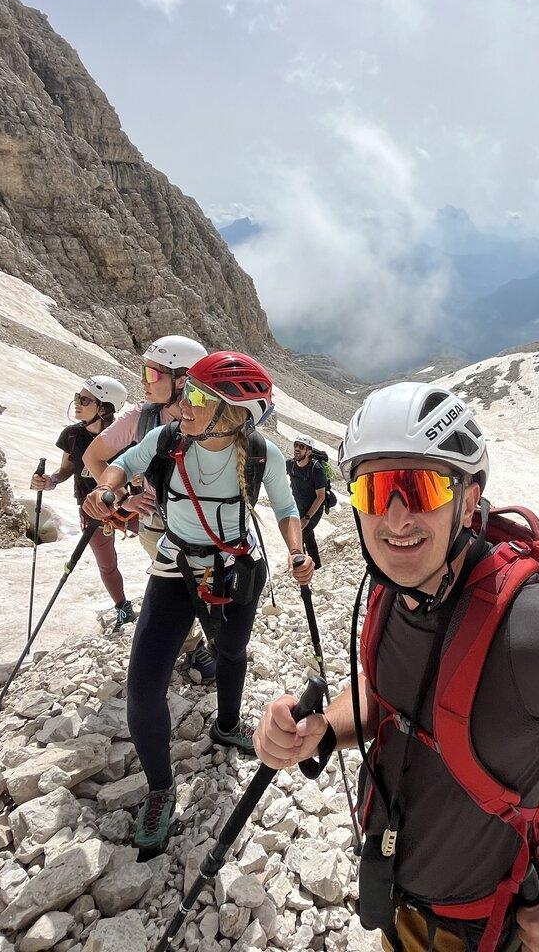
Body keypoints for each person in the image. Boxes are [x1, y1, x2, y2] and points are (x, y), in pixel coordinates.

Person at [254, 383, 539, 952]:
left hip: (481, 931)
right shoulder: (392, 593)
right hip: (399, 904)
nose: (396, 516)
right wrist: (321, 728)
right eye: (375, 490)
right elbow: (390, 700)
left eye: (419, 486)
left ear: (469, 500)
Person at [85, 350, 316, 855]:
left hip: (237, 567)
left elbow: (286, 506)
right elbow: (120, 467)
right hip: (176, 567)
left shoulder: (261, 454)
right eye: (185, 391)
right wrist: (105, 493)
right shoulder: (168, 439)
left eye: (196, 396)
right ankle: (161, 788)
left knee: (232, 651)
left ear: (233, 411)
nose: (182, 405)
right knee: (144, 684)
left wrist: (298, 551)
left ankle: (228, 724)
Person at [83, 334, 219, 679]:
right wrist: (122, 495)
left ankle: (213, 641)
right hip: (159, 527)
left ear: (183, 380)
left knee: (208, 589)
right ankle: (193, 648)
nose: (144, 382)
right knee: (179, 591)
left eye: (153, 374)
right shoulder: (139, 418)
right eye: (145, 372)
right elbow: (94, 456)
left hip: (208, 526)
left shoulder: (211, 414)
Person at [31, 376, 137, 625]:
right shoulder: (72, 435)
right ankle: (122, 607)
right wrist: (51, 480)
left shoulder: (124, 436)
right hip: (92, 507)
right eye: (78, 398)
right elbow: (66, 469)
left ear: (104, 407)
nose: (76, 404)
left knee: (158, 545)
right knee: (106, 563)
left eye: (84, 400)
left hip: (127, 504)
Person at [286, 434, 331, 571]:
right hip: (298, 508)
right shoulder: (290, 465)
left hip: (314, 510)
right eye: (296, 445)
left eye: (302, 446)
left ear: (309, 451)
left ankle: (301, 568)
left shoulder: (315, 469)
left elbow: (321, 496)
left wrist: (307, 517)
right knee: (308, 536)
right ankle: (316, 565)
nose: (297, 449)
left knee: (299, 536)